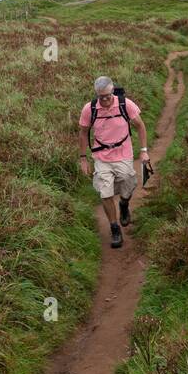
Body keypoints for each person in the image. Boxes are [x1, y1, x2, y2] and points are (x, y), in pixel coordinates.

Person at [78, 76, 149, 248]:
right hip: (101, 157)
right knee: (105, 193)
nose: (105, 100)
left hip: (123, 154)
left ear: (113, 91)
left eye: (108, 96)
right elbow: (82, 132)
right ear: (97, 94)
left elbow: (140, 126)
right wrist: (83, 158)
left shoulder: (126, 104)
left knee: (129, 183)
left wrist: (144, 151)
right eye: (101, 97)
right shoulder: (90, 109)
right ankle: (114, 228)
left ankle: (124, 204)